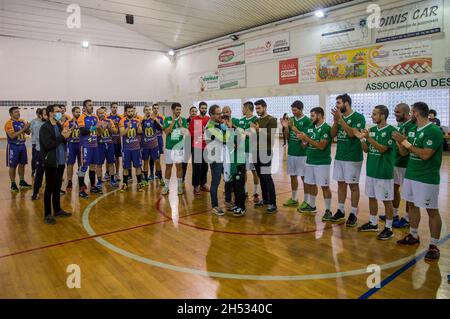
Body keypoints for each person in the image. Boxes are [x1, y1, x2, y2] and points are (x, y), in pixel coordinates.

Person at [393, 102, 443, 261]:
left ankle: (434, 245)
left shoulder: (433, 131)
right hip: (411, 175)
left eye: (411, 112)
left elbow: (426, 154)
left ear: (415, 113)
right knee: (412, 205)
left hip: (427, 177)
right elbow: (403, 152)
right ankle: (413, 235)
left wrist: (406, 142)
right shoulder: (413, 130)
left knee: (432, 211)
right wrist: (399, 142)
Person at [354, 105, 396, 240]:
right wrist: (361, 138)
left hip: (384, 172)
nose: (372, 116)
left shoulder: (391, 131)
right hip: (371, 171)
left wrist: (369, 138)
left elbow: (383, 149)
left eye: (375, 114)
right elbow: (366, 150)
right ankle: (373, 223)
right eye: (372, 114)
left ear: (383, 116)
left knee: (386, 200)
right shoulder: (371, 130)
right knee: (372, 197)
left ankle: (389, 227)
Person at [329, 93, 365, 227]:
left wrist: (340, 120)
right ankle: (340, 210)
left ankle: (353, 213)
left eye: (338, 103)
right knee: (341, 184)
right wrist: (335, 121)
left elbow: (351, 134)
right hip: (340, 156)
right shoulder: (339, 118)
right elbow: (332, 135)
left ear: (346, 103)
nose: (336, 106)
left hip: (353, 157)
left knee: (353, 186)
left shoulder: (358, 117)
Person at [379, 103, 416, 228]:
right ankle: (394, 214)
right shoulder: (400, 126)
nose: (395, 114)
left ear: (405, 113)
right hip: (396, 162)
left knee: (408, 193)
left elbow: (408, 146)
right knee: (394, 189)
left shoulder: (411, 126)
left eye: (398, 112)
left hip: (406, 164)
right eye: (395, 112)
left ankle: (406, 218)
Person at [297, 107, 333, 218]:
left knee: (325, 186)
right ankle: (312, 205)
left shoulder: (326, 128)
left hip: (322, 162)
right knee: (311, 184)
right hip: (310, 161)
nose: (311, 118)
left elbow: (322, 146)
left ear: (320, 115)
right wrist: (303, 141)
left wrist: (306, 139)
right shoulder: (310, 128)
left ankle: (328, 210)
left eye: (312, 116)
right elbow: (304, 146)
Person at [39, 104, 72, 225]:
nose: (60, 113)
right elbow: (48, 145)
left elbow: (62, 140)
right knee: (49, 188)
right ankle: (47, 214)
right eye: (57, 111)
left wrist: (66, 136)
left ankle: (57, 210)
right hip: (51, 162)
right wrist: (62, 137)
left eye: (60, 111)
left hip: (61, 161)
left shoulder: (58, 125)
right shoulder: (45, 127)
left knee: (57, 187)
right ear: (51, 113)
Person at [280, 101, 311, 208]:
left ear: (301, 109)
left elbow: (305, 137)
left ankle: (306, 200)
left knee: (304, 177)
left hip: (302, 154)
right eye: (292, 110)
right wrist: (285, 128)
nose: (293, 112)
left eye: (295, 110)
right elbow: (288, 137)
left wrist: (293, 128)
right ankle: (294, 198)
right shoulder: (291, 120)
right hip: (291, 152)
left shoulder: (307, 121)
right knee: (293, 176)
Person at [251, 99, 278, 213]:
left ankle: (273, 203)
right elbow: (253, 137)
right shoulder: (256, 120)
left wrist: (258, 130)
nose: (257, 110)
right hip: (255, 151)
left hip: (266, 151)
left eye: (259, 108)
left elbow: (270, 137)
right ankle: (265, 199)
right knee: (261, 176)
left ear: (265, 107)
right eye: (256, 108)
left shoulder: (272, 120)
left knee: (267, 177)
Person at [204, 104, 229, 215]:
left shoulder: (218, 124)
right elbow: (225, 140)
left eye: (221, 113)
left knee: (228, 178)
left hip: (222, 156)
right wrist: (228, 129)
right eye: (218, 113)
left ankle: (228, 201)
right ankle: (214, 206)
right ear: (211, 115)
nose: (221, 115)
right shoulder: (210, 128)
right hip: (215, 158)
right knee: (215, 182)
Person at [236, 101, 261, 203]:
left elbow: (254, 134)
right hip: (242, 150)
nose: (242, 110)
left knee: (254, 172)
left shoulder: (256, 120)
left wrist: (245, 132)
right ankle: (245, 191)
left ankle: (256, 193)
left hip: (252, 151)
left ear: (247, 108)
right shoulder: (241, 120)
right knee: (243, 171)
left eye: (243, 108)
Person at [161, 103, 188, 195]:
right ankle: (166, 186)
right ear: (173, 110)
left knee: (179, 167)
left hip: (179, 148)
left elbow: (185, 133)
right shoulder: (167, 119)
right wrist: (172, 123)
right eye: (177, 110)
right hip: (169, 148)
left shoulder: (183, 120)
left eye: (180, 110)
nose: (179, 111)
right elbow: (167, 132)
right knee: (168, 167)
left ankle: (179, 186)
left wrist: (180, 126)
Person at [4, 106, 32, 192]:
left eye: (18, 112)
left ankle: (22, 181)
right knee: (12, 166)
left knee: (22, 164)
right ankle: (13, 183)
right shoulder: (8, 123)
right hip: (13, 146)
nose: (18, 113)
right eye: (16, 112)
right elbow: (12, 136)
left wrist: (28, 128)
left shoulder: (22, 121)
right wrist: (24, 128)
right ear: (11, 114)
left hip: (22, 146)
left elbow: (28, 132)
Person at [77, 99, 101, 198]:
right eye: (89, 105)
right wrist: (95, 127)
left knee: (93, 166)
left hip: (94, 145)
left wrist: (101, 127)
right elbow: (83, 131)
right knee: (83, 167)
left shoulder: (95, 117)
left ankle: (93, 186)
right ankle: (81, 190)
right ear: (85, 107)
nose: (92, 107)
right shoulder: (81, 117)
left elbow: (98, 131)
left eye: (92, 105)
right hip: (85, 146)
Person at [119, 104, 143, 192]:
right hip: (126, 149)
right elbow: (121, 134)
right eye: (128, 111)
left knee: (138, 167)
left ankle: (139, 184)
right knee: (125, 167)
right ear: (125, 112)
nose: (130, 113)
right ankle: (125, 184)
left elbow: (140, 132)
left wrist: (139, 126)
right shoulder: (122, 121)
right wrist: (128, 128)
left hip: (136, 148)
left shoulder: (137, 120)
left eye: (132, 111)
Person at [189, 101, 210, 195]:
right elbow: (193, 133)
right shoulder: (195, 119)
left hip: (206, 147)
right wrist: (202, 132)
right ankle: (196, 185)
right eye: (202, 108)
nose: (204, 110)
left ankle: (203, 183)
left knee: (205, 167)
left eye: (205, 108)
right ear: (199, 109)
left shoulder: (209, 119)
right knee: (197, 167)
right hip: (197, 146)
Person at [222, 106, 240, 211]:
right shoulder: (221, 125)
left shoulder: (235, 121)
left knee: (236, 176)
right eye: (223, 112)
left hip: (237, 154)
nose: (225, 113)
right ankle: (228, 200)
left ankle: (237, 198)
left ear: (231, 112)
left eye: (227, 112)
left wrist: (231, 126)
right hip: (226, 154)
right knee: (228, 176)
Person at [96, 107, 118, 188]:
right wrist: (101, 127)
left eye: (103, 113)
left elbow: (115, 131)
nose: (102, 114)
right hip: (99, 145)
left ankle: (112, 179)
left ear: (105, 113)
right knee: (99, 164)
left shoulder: (109, 121)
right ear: (97, 114)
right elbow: (96, 135)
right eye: (100, 113)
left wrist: (109, 127)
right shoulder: (96, 122)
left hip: (109, 144)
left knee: (111, 163)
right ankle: (99, 181)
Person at [141, 105, 163, 185]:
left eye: (149, 110)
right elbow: (139, 131)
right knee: (145, 162)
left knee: (157, 161)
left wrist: (156, 121)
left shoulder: (154, 120)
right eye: (146, 110)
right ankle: (146, 180)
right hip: (145, 146)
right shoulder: (141, 121)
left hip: (154, 145)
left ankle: (161, 178)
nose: (148, 111)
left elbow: (160, 129)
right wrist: (141, 122)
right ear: (144, 111)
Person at [31, 109, 48, 200]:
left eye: (47, 114)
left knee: (51, 173)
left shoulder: (50, 124)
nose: (47, 116)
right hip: (41, 152)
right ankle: (35, 192)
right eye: (45, 114)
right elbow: (44, 140)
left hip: (50, 153)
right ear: (40, 116)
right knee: (39, 173)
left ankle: (52, 191)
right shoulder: (37, 125)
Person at [65, 106, 82, 191]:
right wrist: (71, 129)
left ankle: (81, 180)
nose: (78, 113)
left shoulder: (82, 121)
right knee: (70, 164)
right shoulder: (68, 122)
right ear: (72, 112)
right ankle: (69, 181)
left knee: (81, 164)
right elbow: (66, 136)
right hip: (71, 145)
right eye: (77, 112)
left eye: (79, 112)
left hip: (80, 145)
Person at [107, 102, 123, 181]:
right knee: (108, 158)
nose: (115, 109)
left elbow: (123, 128)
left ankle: (117, 173)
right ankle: (108, 173)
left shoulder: (120, 117)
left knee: (117, 158)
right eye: (113, 107)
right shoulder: (107, 117)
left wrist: (118, 126)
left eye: (116, 107)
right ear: (111, 108)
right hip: (109, 141)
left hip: (117, 141)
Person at [182, 106, 198, 182]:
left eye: (195, 111)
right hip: (187, 143)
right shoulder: (185, 121)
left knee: (195, 164)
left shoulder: (198, 121)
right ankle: (182, 179)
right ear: (190, 112)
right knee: (184, 162)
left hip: (196, 144)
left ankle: (195, 181)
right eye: (192, 111)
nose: (194, 112)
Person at [150, 104, 165, 181]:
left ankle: (157, 172)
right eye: (154, 108)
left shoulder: (162, 117)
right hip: (151, 139)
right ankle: (151, 173)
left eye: (157, 108)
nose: (155, 109)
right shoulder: (149, 117)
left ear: (158, 109)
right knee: (151, 157)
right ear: (152, 109)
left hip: (159, 139)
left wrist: (158, 122)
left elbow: (163, 128)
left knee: (157, 157)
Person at [30, 108, 42, 178]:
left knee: (40, 158)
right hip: (35, 142)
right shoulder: (33, 121)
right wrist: (26, 128)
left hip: (43, 143)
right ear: (37, 114)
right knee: (34, 157)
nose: (39, 115)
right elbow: (29, 132)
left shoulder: (45, 121)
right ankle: (33, 170)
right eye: (38, 113)